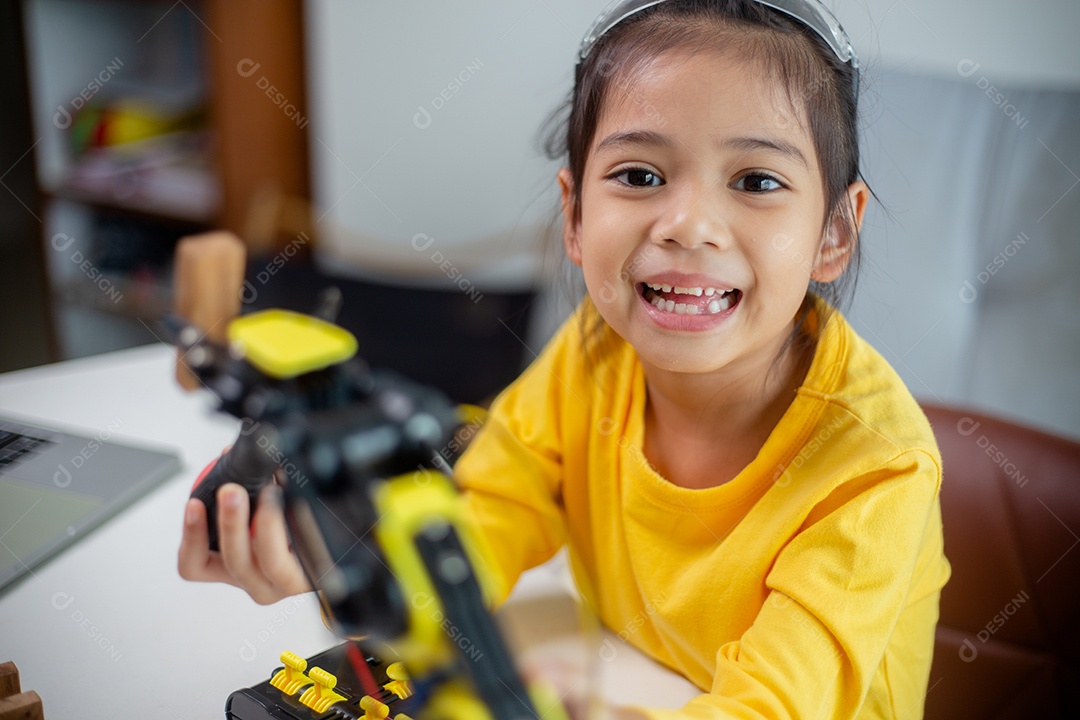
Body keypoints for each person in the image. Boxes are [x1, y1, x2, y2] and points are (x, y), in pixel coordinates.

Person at [179, 1, 951, 717]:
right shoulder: (594, 349)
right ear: (576, 215)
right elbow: (486, 520)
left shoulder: (875, 474)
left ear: (834, 235)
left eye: (756, 180)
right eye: (640, 176)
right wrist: (339, 568)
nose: (689, 224)